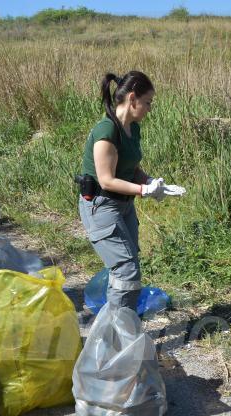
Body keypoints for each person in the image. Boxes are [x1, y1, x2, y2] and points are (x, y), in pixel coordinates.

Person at [76, 71, 186, 312]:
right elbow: (107, 180)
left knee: (128, 264)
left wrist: (154, 184)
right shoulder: (106, 132)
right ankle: (118, 332)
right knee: (126, 270)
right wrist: (143, 190)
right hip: (101, 206)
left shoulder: (132, 129)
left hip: (123, 205)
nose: (149, 109)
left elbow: (131, 167)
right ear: (133, 99)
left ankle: (121, 323)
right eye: (147, 103)